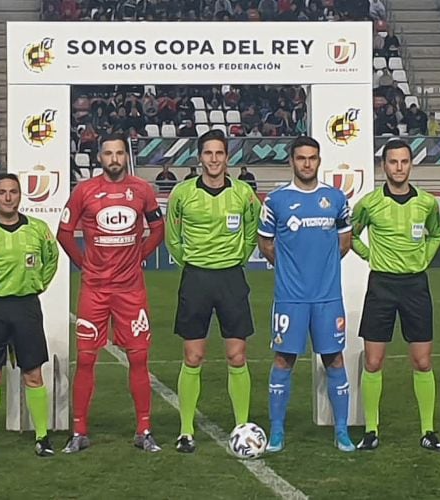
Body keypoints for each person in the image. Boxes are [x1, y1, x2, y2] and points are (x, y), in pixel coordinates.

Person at [57, 133, 166, 453]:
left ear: (125, 157)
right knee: (86, 359)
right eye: (108, 153)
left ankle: (144, 430)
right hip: (95, 290)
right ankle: (79, 432)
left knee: (139, 359)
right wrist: (84, 264)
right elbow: (64, 232)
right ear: (99, 157)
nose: (114, 158)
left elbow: (158, 229)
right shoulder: (84, 191)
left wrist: (140, 255)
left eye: (119, 153)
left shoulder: (142, 190)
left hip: (131, 291)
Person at [257, 136, 355, 452]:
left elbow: (345, 240)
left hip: (327, 298)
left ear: (319, 160)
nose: (307, 163)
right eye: (301, 158)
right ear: (292, 161)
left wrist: (321, 268)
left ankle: (341, 431)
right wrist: (290, 269)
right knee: (284, 360)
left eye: (312, 158)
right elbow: (265, 244)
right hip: (290, 298)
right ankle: (277, 431)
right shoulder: (275, 202)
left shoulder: (337, 198)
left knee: (334, 359)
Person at [165, 130, 260, 453]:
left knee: (237, 355)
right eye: (208, 153)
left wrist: (237, 259)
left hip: (231, 278)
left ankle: (242, 427)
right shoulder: (182, 194)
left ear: (227, 157)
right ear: (200, 157)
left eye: (220, 153)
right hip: (196, 279)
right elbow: (173, 237)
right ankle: (186, 430)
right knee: (194, 356)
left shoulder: (244, 194)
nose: (214, 159)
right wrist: (192, 263)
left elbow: (252, 232)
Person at [350, 138, 440, 452]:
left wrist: (424, 259)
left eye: (404, 162)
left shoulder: (427, 203)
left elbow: (437, 233)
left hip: (416, 286)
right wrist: (368, 256)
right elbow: (350, 233)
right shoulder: (369, 203)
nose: (399, 167)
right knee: (374, 361)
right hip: (381, 286)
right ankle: (372, 431)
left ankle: (428, 431)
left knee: (422, 361)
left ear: (411, 165)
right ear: (384, 166)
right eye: (393, 162)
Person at [0, 173, 59, 459]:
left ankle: (42, 437)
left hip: (26, 307)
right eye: (2, 192)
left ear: (20, 195)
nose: (8, 197)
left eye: (13, 192)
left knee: (33, 372)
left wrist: (37, 283)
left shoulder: (38, 229)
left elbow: (51, 259)